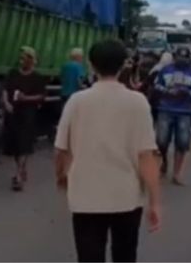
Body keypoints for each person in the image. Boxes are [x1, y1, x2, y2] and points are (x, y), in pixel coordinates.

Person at [55, 39, 161, 262]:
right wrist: (155, 202)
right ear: (123, 65)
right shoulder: (138, 103)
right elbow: (146, 157)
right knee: (125, 255)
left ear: (91, 65)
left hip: (86, 197)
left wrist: (62, 176)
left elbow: (62, 150)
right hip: (127, 197)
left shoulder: (77, 101)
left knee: (89, 256)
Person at [2, 46, 47, 192]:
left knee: (24, 143)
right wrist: (6, 102)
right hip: (13, 112)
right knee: (15, 144)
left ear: (31, 60)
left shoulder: (37, 77)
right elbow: (4, 89)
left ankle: (18, 176)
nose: (21, 61)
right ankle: (21, 168)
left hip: (28, 113)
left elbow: (41, 96)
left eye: (24, 58)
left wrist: (25, 98)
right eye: (20, 58)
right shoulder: (13, 73)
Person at [154, 47, 191, 184]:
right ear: (175, 57)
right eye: (180, 57)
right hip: (165, 108)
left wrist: (186, 91)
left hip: (184, 111)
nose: (182, 60)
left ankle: (177, 173)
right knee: (161, 141)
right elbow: (157, 85)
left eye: (185, 58)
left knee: (183, 142)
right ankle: (164, 162)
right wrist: (168, 91)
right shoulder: (165, 70)